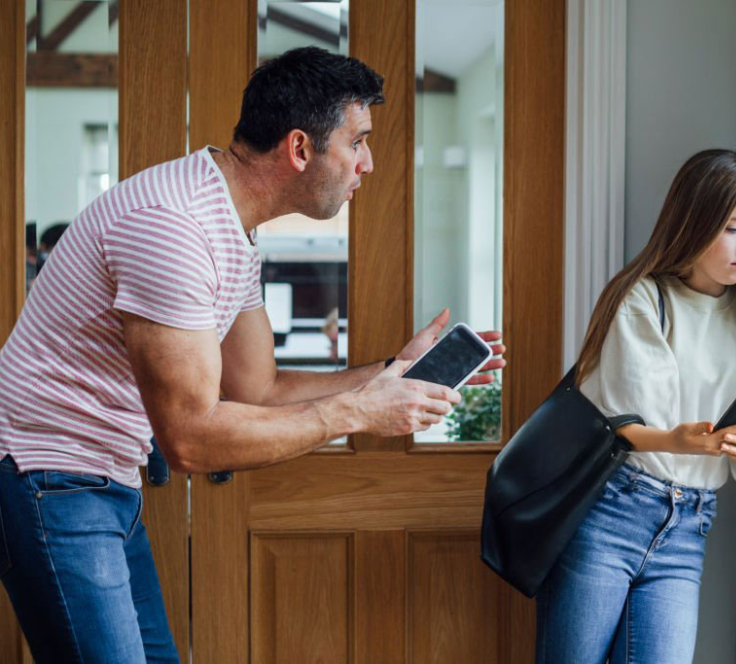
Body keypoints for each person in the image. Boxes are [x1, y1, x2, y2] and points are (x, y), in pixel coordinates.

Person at [0, 46, 505, 663]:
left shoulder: (229, 227)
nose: (367, 164)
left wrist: (391, 372)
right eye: (358, 142)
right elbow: (189, 438)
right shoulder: (174, 227)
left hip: (102, 476)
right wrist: (357, 414)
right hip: (46, 473)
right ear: (299, 149)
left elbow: (255, 389)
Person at [535, 149, 736, 663]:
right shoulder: (642, 298)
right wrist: (682, 440)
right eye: (735, 227)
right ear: (697, 221)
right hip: (613, 511)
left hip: (690, 525)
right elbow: (620, 425)